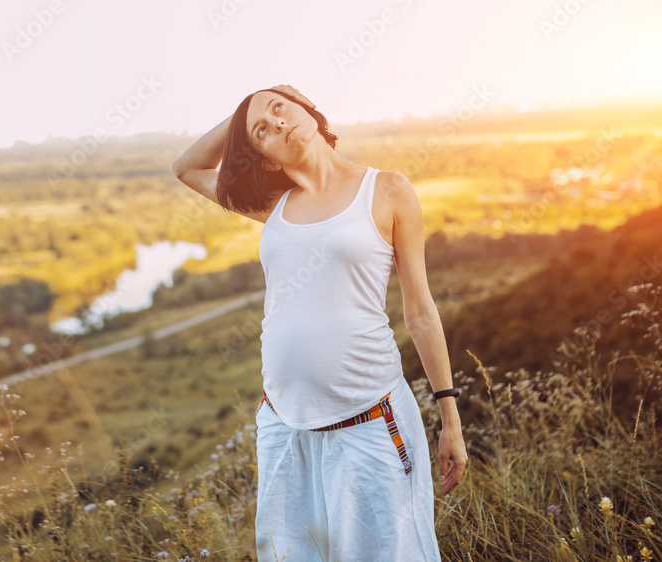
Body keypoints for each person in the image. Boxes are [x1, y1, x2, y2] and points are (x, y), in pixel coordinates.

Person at [171, 84, 468, 560]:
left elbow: (420, 311)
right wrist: (244, 117)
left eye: (280, 108)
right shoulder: (274, 206)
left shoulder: (387, 190)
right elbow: (186, 167)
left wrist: (449, 416)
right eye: (262, 132)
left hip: (369, 422)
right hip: (283, 426)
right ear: (262, 156)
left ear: (307, 109)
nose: (277, 124)